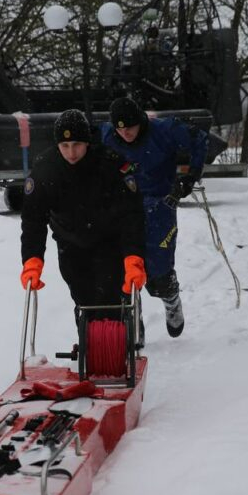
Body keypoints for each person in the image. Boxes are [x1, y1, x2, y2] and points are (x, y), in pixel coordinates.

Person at [20, 109, 147, 335]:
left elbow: (132, 214)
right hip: (70, 244)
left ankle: (115, 342)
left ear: (87, 142)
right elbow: (33, 219)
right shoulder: (45, 171)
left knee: (107, 299)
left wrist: (133, 258)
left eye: (77, 144)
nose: (71, 153)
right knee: (84, 299)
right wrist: (32, 260)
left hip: (109, 242)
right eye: (65, 146)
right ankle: (90, 349)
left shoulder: (110, 165)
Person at [99, 97, 208, 337]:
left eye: (130, 127)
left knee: (158, 268)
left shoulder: (164, 130)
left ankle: (171, 301)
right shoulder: (106, 135)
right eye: (120, 128)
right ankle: (132, 315)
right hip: (123, 206)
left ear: (139, 121)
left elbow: (199, 139)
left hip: (160, 204)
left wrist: (190, 176)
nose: (125, 133)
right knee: (123, 265)